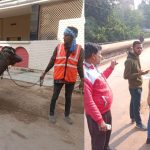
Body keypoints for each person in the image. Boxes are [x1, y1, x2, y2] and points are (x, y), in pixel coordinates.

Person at [40, 26, 84, 124]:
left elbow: (80, 66)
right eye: (64, 35)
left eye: (66, 35)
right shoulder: (58, 47)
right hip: (59, 77)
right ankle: (51, 114)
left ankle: (67, 115)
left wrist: (82, 79)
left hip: (70, 78)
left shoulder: (79, 50)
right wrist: (44, 72)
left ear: (73, 37)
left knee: (68, 98)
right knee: (55, 96)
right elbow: (52, 61)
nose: (64, 37)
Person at [84, 42, 117, 150]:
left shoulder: (93, 67)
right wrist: (99, 120)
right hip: (97, 115)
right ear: (93, 56)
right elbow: (88, 102)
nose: (101, 56)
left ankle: (106, 147)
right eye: (100, 54)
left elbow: (102, 79)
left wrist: (111, 68)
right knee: (98, 142)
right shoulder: (85, 74)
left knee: (106, 135)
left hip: (106, 111)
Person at [124, 41, 149, 130]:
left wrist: (141, 72)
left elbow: (136, 70)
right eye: (138, 48)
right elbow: (126, 76)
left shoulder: (136, 57)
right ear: (133, 48)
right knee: (137, 105)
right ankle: (139, 123)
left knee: (133, 102)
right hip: (135, 86)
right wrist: (139, 74)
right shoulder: (129, 61)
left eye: (141, 47)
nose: (140, 49)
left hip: (137, 84)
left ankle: (133, 118)